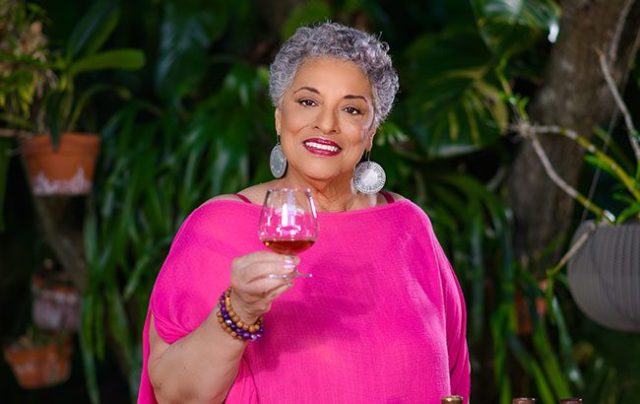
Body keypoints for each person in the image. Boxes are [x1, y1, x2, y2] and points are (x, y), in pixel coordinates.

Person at [138, 21, 470, 403]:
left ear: (371, 133)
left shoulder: (408, 226)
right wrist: (239, 311)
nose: (326, 124)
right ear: (280, 117)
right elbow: (175, 395)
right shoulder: (219, 228)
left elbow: (454, 375)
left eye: (351, 109)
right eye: (308, 102)